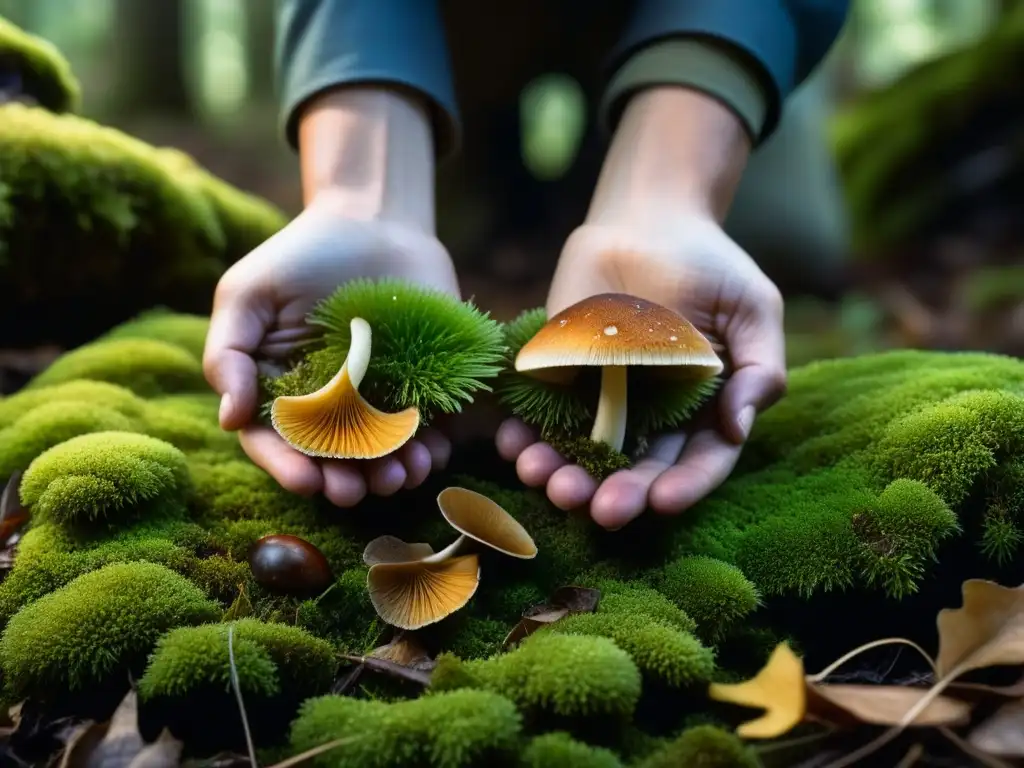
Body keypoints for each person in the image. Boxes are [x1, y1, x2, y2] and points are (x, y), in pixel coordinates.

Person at [203, 0, 851, 531]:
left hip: (683, 17)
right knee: (460, 224)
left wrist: (668, 197)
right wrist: (361, 196)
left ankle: (611, 156)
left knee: (787, 234)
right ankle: (498, 160)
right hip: (443, 27)